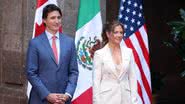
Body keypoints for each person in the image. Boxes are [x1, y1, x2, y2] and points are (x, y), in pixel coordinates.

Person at [26, 4, 79, 104]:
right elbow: (31, 73)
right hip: (40, 99)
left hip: (63, 100)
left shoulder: (69, 42)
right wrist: (47, 95)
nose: (57, 21)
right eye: (53, 18)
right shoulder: (35, 43)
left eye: (59, 18)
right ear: (44, 20)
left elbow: (73, 72)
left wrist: (68, 94)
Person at [93, 21, 138, 104]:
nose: (119, 35)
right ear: (108, 34)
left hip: (126, 99)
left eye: (121, 32)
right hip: (106, 100)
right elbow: (96, 82)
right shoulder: (99, 54)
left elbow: (132, 78)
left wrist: (134, 100)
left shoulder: (129, 52)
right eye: (116, 32)